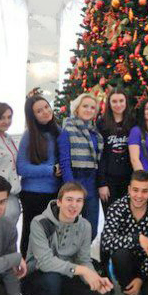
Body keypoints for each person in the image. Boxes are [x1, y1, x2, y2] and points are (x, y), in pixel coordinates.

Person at [22, 182, 113, 295]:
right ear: (59, 202)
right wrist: (83, 270)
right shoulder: (40, 222)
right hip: (36, 277)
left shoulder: (85, 226)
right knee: (52, 279)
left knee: (101, 294)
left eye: (79, 200)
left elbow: (84, 260)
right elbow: (45, 263)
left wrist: (94, 278)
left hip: (65, 273)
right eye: (69, 199)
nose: (74, 205)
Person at [101, 170, 148, 295]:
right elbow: (106, 241)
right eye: (135, 190)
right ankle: (128, 292)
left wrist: (141, 278)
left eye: (144, 191)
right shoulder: (117, 208)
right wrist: (138, 239)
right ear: (129, 189)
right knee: (120, 254)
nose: (139, 195)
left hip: (147, 261)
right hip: (125, 259)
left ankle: (140, 284)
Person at [17, 95, 61, 257]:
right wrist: (50, 170)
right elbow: (21, 167)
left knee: (50, 235)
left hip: (55, 193)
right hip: (33, 194)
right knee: (30, 233)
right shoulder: (29, 135)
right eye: (39, 111)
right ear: (32, 115)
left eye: (47, 107)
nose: (45, 112)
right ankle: (26, 265)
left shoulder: (58, 131)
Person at [57, 92, 103, 240]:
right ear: (77, 108)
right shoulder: (67, 130)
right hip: (75, 179)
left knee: (91, 229)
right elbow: (64, 162)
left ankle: (83, 253)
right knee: (69, 227)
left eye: (92, 107)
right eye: (85, 106)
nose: (89, 110)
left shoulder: (95, 133)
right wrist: (71, 188)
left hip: (92, 183)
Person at [97, 87, 134, 210]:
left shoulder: (133, 123)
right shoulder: (101, 123)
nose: (118, 105)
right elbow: (100, 156)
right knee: (111, 215)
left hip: (128, 178)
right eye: (114, 101)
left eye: (121, 101)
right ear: (109, 103)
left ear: (126, 102)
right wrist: (102, 183)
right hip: (109, 179)